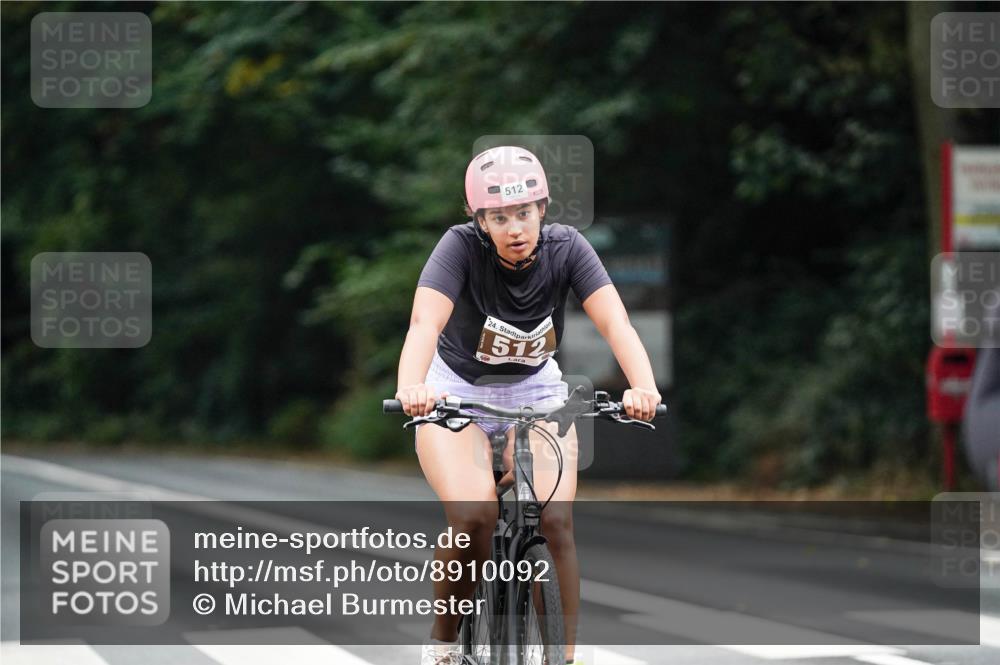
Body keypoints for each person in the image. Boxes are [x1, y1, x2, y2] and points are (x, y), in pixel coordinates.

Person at [396, 145, 661, 665]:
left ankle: (562, 657)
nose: (514, 227)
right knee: (474, 513)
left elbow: (616, 324)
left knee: (554, 520)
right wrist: (412, 386)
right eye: (499, 217)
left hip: (540, 394)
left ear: (542, 208)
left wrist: (643, 386)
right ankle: (444, 643)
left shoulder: (569, 248)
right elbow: (424, 324)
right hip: (456, 394)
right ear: (480, 221)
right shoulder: (458, 249)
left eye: (524, 212)